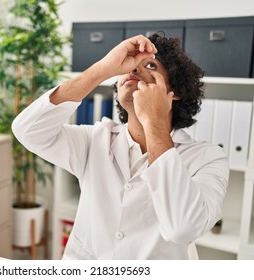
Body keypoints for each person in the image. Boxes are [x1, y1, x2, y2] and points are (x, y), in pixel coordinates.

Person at [12, 33, 229, 259]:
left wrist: (153, 121)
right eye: (130, 66)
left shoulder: (208, 158)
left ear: (174, 93)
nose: (134, 70)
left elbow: (182, 227)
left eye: (151, 65)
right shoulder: (96, 139)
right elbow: (27, 130)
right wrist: (105, 68)